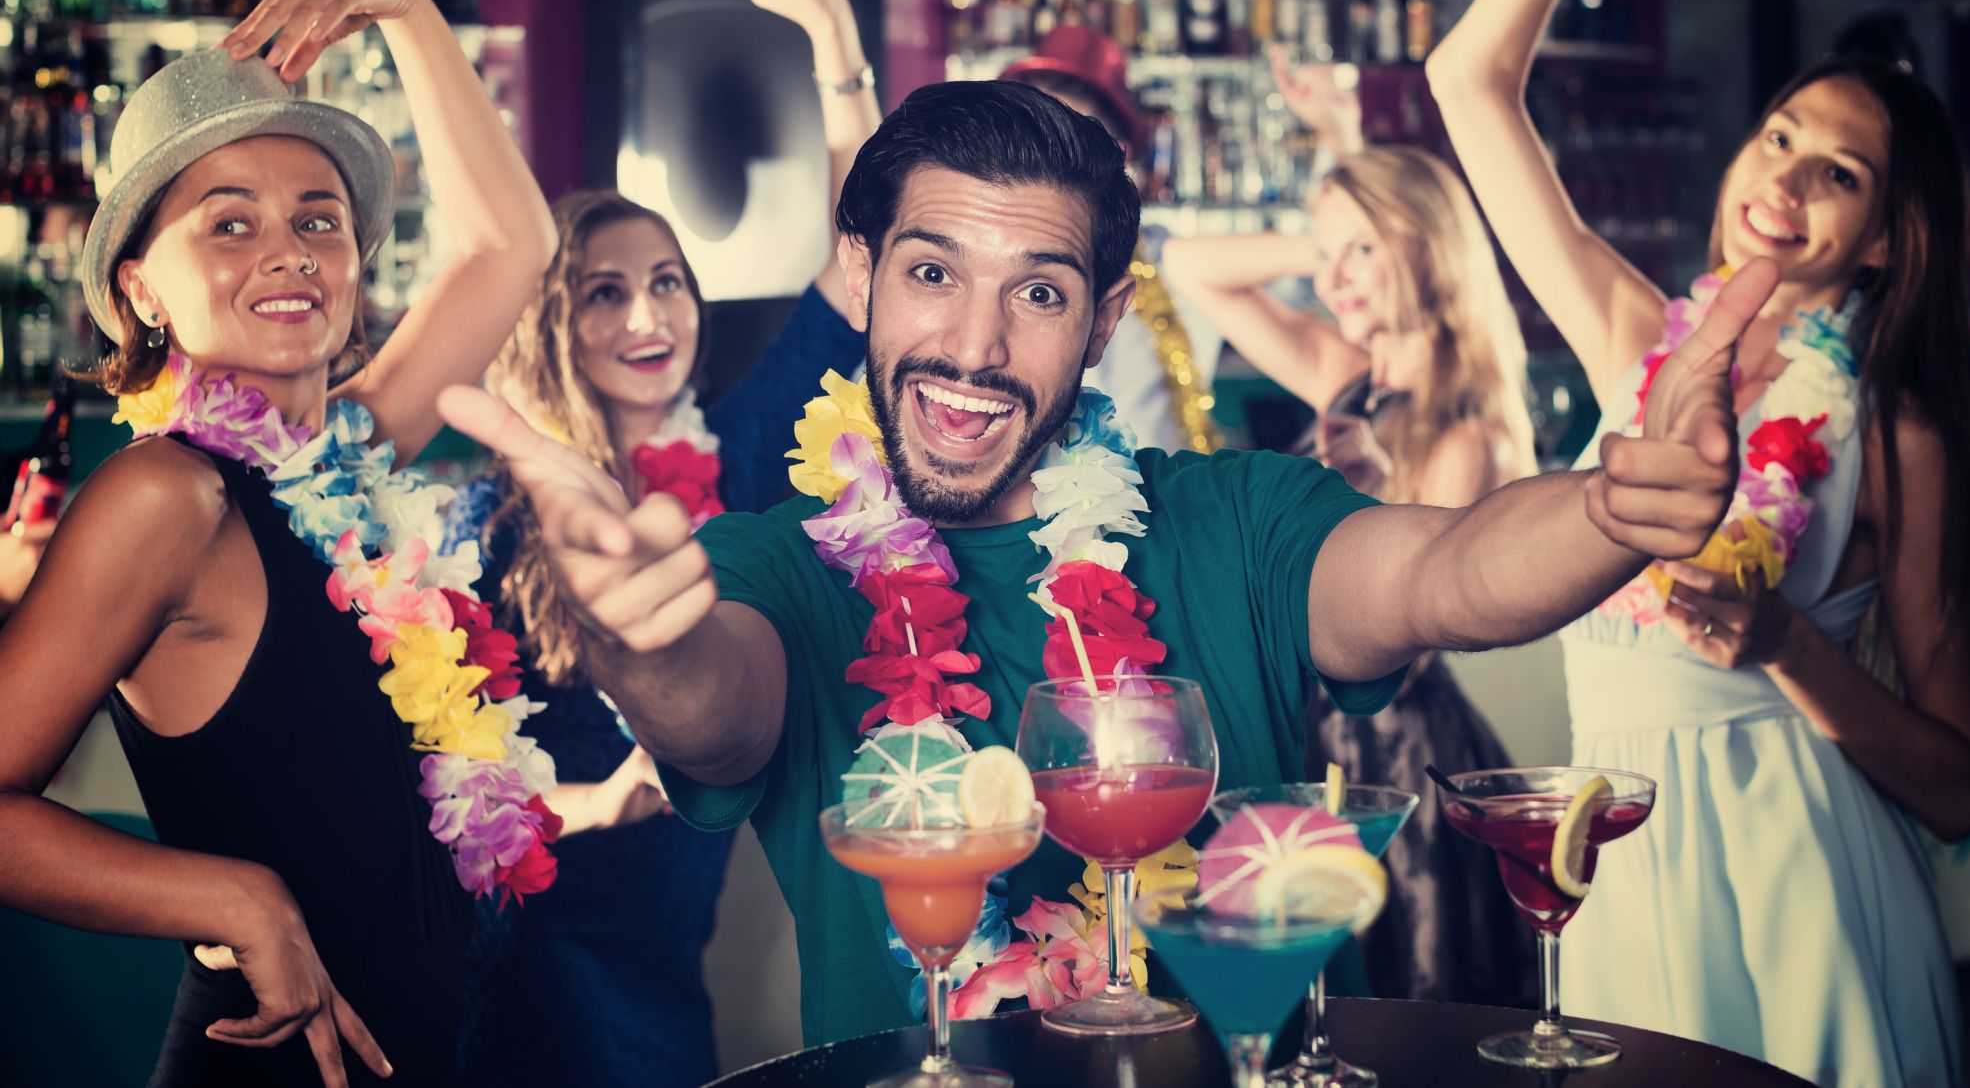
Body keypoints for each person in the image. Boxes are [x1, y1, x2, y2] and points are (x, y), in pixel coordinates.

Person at [440, 75, 1777, 1047]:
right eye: (930, 274)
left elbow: (1446, 574)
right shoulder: (781, 567)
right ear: (855, 279)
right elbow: (715, 709)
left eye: (1036, 292)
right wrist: (633, 637)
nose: (972, 346)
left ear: (1099, 325)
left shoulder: (1234, 519)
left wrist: (1610, 512)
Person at [1425, 0, 1966, 1084]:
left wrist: (1778, 638)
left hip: (1795, 889)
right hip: (1609, 868)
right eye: (1778, 138)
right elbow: (1466, 79)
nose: (1778, 181)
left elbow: (1954, 789)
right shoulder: (1630, 336)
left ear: (1887, 237)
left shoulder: (1889, 434)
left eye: (1835, 173)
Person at [0, 0, 558, 1087]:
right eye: (228, 224)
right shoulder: (167, 498)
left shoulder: (338, 458)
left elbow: (511, 249)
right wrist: (230, 895)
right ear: (142, 290)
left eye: (319, 218)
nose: (290, 250)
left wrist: (404, 4)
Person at [447, 0, 871, 1088]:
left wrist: (833, 47)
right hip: (540, 935)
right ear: (551, 322)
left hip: (667, 940)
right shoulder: (495, 512)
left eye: (667, 283)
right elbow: (429, 758)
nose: (648, 317)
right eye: (606, 293)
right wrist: (591, 804)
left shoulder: (730, 452)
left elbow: (855, 266)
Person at [1163, 132, 1535, 1005]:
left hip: (1393, 755)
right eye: (1328, 258)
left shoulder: (1467, 430)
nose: (1334, 279)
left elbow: (1416, 644)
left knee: (1398, 994)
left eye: (1363, 249)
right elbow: (1188, 266)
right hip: (1304, 729)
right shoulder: (1343, 368)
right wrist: (1333, 237)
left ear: (1428, 242)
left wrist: (1374, 487)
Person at [1000, 24, 1221, 453]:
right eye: (1030, 134)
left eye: (1075, 145)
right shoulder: (962, 262)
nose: (1048, 162)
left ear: (1117, 160)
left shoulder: (1166, 258)